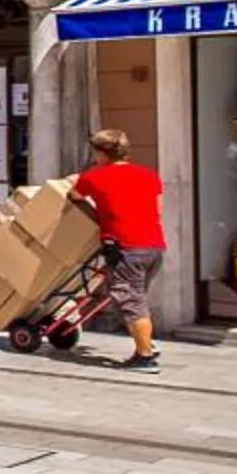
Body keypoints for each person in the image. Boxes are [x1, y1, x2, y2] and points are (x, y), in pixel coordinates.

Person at [73, 127, 169, 371]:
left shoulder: (94, 177)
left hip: (126, 246)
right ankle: (145, 344)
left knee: (131, 300)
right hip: (154, 246)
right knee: (136, 297)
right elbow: (158, 211)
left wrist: (99, 211)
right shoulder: (149, 175)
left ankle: (145, 356)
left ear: (101, 153)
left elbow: (73, 196)